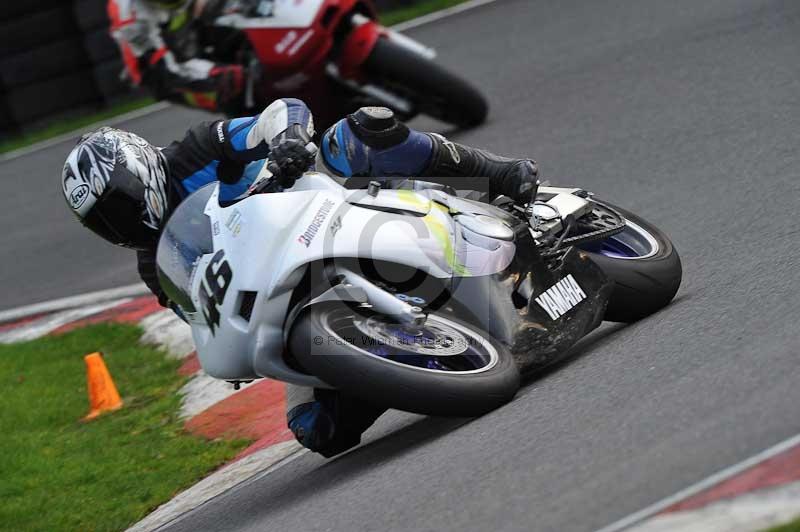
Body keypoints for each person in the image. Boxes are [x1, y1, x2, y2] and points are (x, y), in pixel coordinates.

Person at [61, 98, 537, 456]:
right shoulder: (154, 264)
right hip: (291, 293)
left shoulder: (195, 151)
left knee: (360, 131)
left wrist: (287, 139)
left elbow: (280, 112)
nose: (120, 224)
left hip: (321, 207)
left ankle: (495, 173)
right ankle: (421, 363)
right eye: (105, 222)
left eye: (120, 204)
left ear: (138, 168)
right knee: (317, 430)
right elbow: (206, 314)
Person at [108, 0, 251, 114]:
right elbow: (168, 69)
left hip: (183, 38)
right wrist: (214, 72)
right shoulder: (130, 18)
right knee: (232, 87)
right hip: (161, 73)